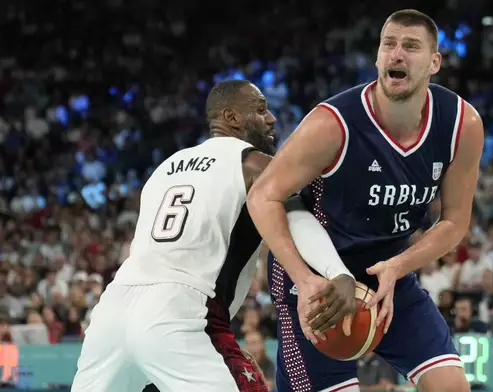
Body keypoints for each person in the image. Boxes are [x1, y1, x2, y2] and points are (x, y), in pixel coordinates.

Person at [248, 9, 483, 392]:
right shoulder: (333, 123)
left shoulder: (461, 124)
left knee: (452, 386)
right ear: (377, 57)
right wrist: (305, 281)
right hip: (319, 277)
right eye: (388, 44)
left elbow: (455, 222)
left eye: (411, 46)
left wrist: (398, 266)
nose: (397, 54)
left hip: (386, 271)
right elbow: (263, 196)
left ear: (434, 62)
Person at [71, 80, 354, 392]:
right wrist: (336, 271)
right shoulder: (254, 163)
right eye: (261, 110)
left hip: (112, 311)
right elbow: (297, 217)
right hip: (181, 310)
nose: (271, 118)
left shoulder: (164, 169)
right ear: (231, 117)